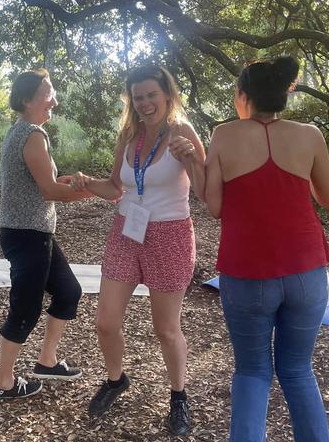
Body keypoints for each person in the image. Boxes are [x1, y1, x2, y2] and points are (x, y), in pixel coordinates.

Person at [204, 56, 329, 441]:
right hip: (307, 271)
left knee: (252, 370)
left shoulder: (224, 135)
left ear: (243, 96)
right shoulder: (309, 134)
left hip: (247, 273)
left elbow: (215, 207)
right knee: (298, 369)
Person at [71, 65, 206, 437]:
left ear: (167, 94)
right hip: (125, 232)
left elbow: (206, 191)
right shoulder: (128, 135)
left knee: (165, 329)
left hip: (171, 236)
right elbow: (116, 187)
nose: (145, 103)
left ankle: (178, 395)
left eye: (151, 95)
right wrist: (85, 183)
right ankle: (116, 380)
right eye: (138, 96)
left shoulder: (181, 131)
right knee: (106, 323)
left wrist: (192, 158)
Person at [0, 68, 92, 400]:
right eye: (48, 93)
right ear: (27, 99)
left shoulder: (21, 131)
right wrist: (97, 191)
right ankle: (3, 383)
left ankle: (46, 362)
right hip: (27, 234)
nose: (55, 100)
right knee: (26, 308)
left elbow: (42, 182)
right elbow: (49, 191)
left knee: (68, 291)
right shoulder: (32, 134)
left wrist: (72, 183)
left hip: (33, 233)